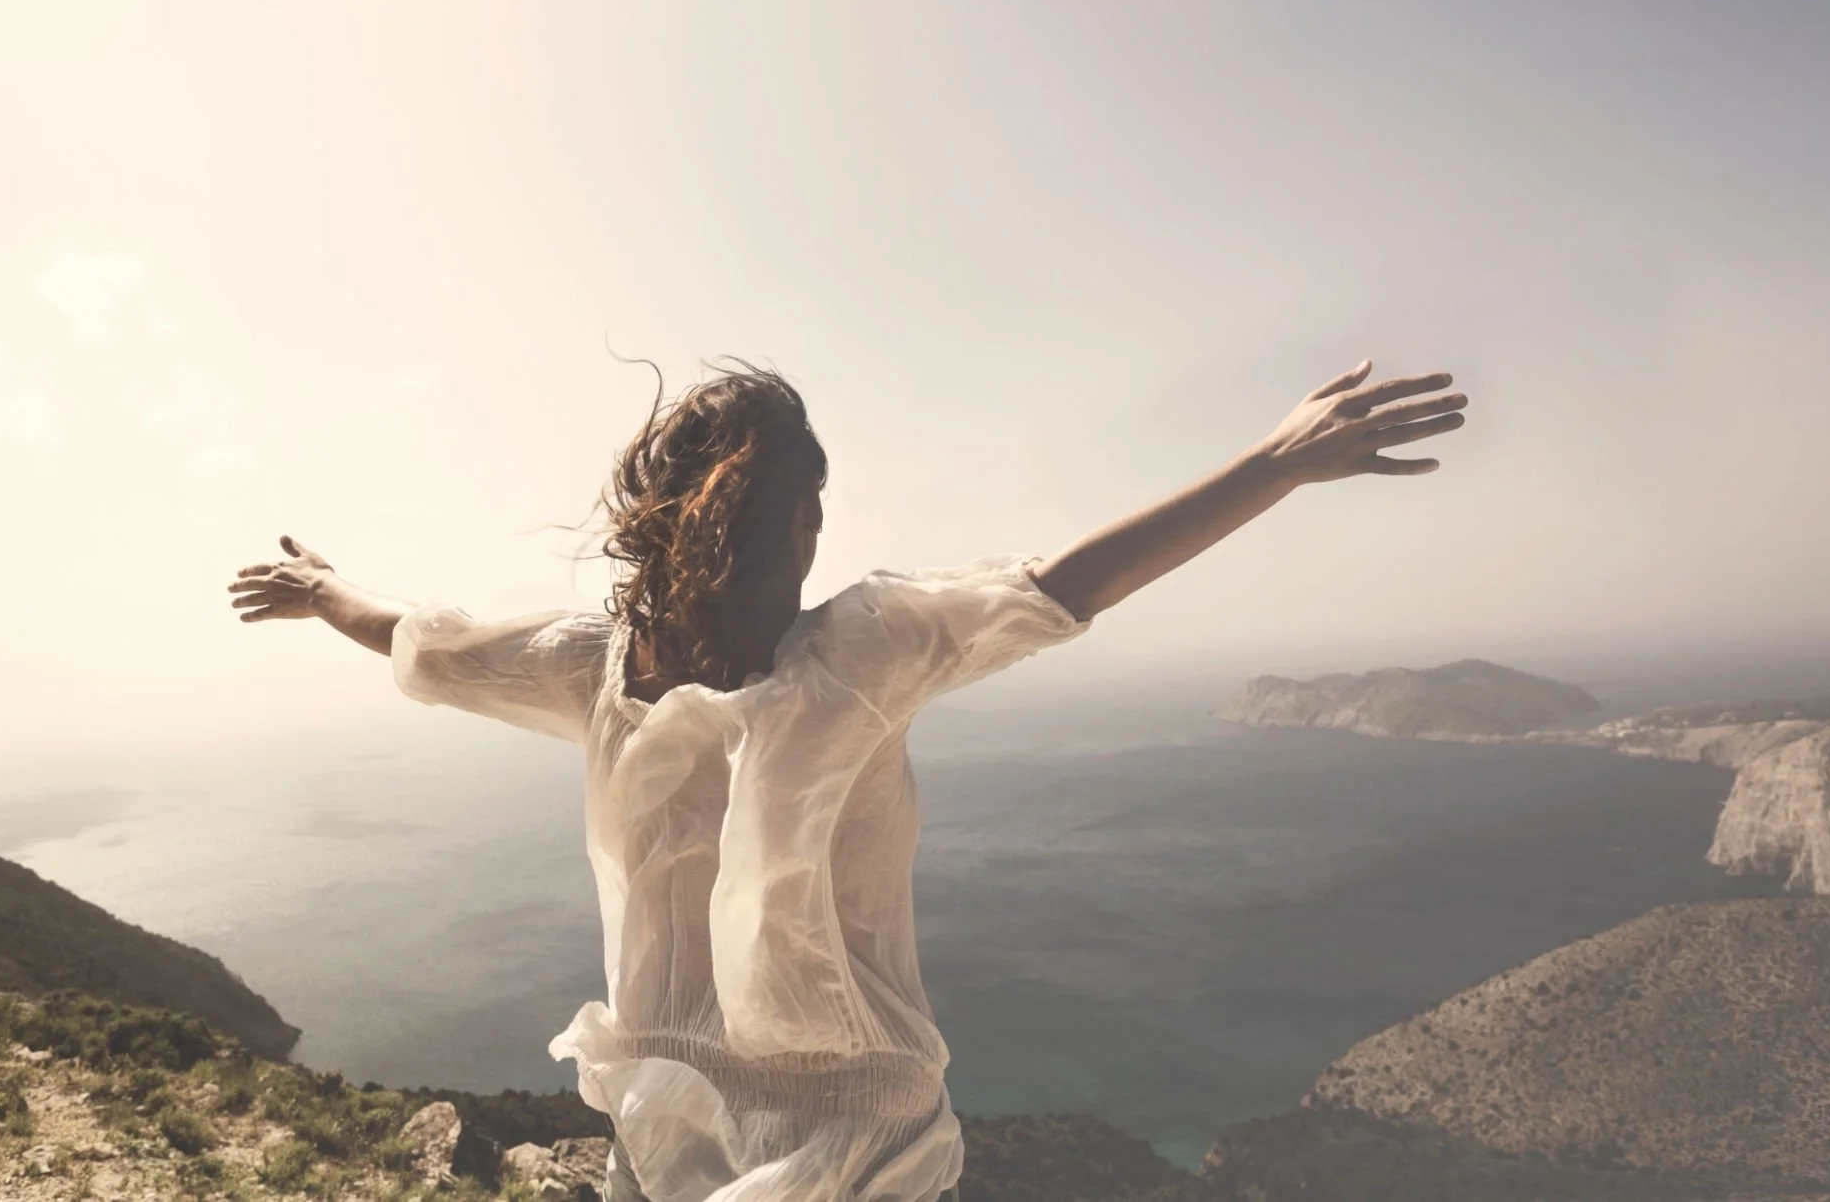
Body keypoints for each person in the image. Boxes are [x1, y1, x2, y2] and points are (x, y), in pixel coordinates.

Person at [228, 356, 1467, 1202]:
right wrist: (1272, 461)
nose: (819, 529)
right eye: (807, 502)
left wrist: (319, 591)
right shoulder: (824, 652)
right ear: (772, 521)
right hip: (744, 1139)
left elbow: (416, 640)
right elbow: (1069, 580)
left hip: (767, 1143)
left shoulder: (656, 664)